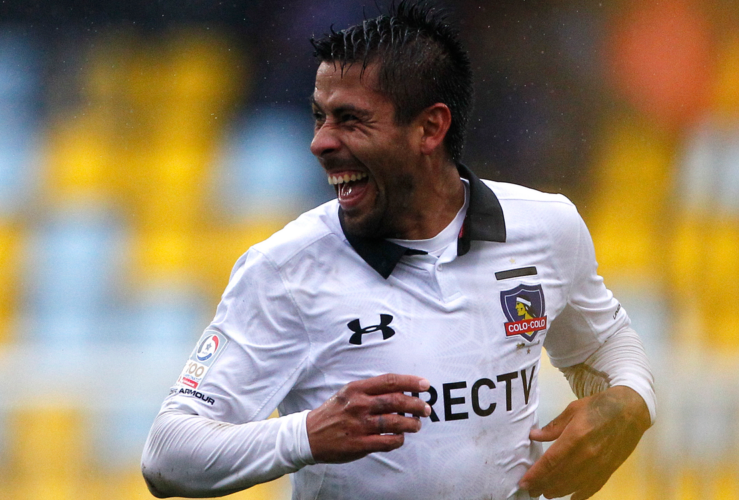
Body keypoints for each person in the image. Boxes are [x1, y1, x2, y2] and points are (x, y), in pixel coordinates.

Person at [141, 2, 656, 499]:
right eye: (320, 117)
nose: (320, 142)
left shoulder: (546, 227)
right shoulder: (285, 270)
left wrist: (632, 400)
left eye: (350, 120)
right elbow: (168, 455)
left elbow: (603, 344)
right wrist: (307, 435)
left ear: (430, 128)